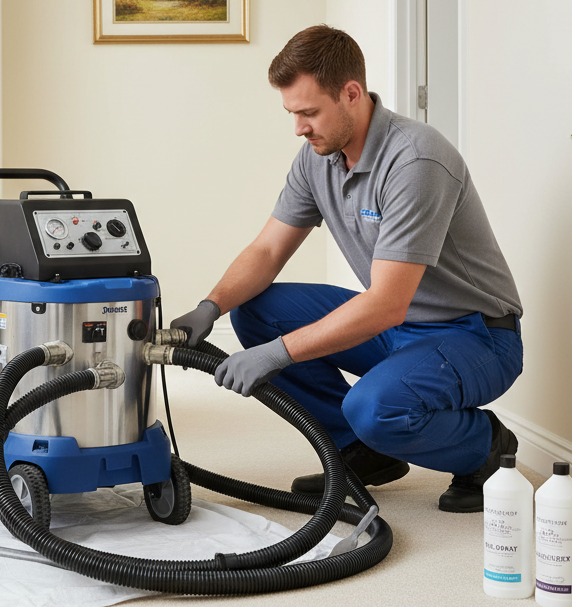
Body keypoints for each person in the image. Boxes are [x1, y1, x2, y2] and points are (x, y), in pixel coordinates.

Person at [171, 25, 523, 512]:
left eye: (309, 112)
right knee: (255, 311)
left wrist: (278, 355)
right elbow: (268, 251)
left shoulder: (415, 159)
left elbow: (385, 303)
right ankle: (361, 452)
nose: (298, 127)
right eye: (292, 113)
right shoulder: (318, 158)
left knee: (374, 408)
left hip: (475, 336)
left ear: (352, 94)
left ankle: (485, 446)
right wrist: (210, 306)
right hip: (398, 325)